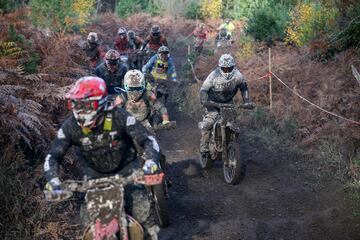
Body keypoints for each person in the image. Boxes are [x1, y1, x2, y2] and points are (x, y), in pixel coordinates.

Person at [43, 76, 161, 239]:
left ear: (102, 103)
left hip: (127, 171)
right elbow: (53, 156)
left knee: (144, 216)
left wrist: (150, 162)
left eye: (86, 104)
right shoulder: (70, 126)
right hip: (92, 178)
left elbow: (148, 139)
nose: (81, 110)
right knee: (88, 225)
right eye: (76, 104)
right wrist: (53, 180)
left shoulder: (120, 116)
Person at [198, 54, 253, 162]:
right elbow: (203, 90)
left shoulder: (238, 75)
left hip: (228, 102)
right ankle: (204, 147)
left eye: (229, 68)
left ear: (233, 67)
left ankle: (230, 143)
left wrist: (247, 102)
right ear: (220, 67)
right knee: (209, 122)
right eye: (224, 68)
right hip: (212, 103)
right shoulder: (213, 75)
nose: (227, 71)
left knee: (233, 124)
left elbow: (244, 87)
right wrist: (204, 101)